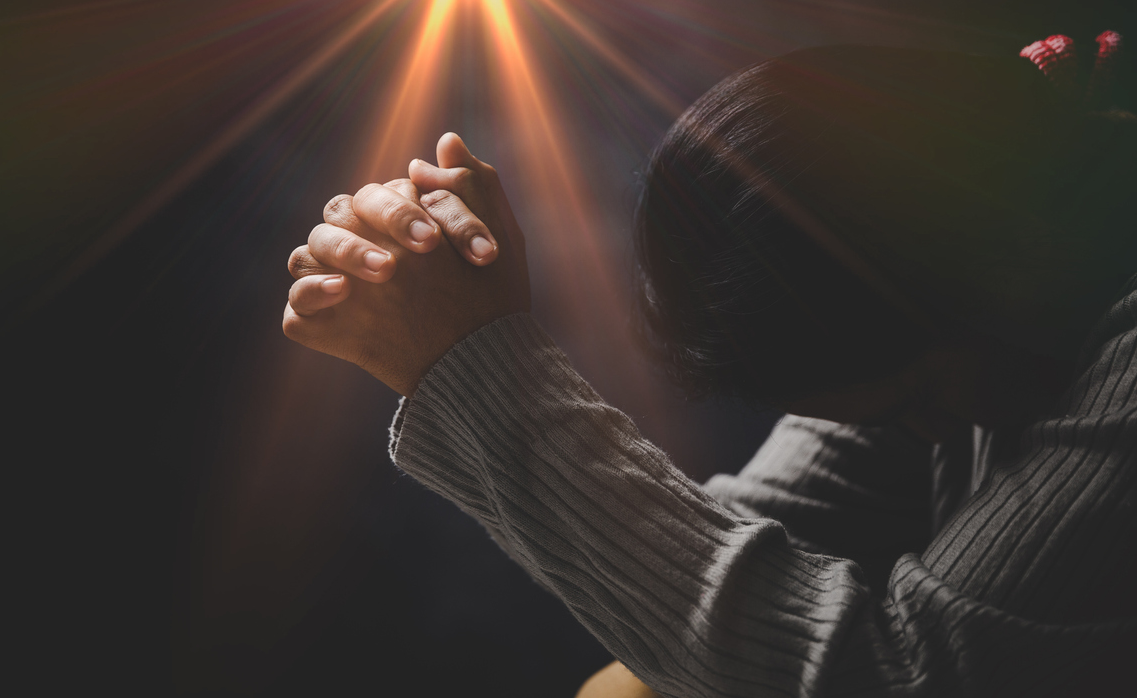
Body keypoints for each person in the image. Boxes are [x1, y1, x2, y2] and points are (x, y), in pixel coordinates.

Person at [282, 41, 1137, 696]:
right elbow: (723, 579)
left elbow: (887, 674)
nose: (931, 436)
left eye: (918, 397)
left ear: (1008, 260)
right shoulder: (946, 302)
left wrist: (474, 369)